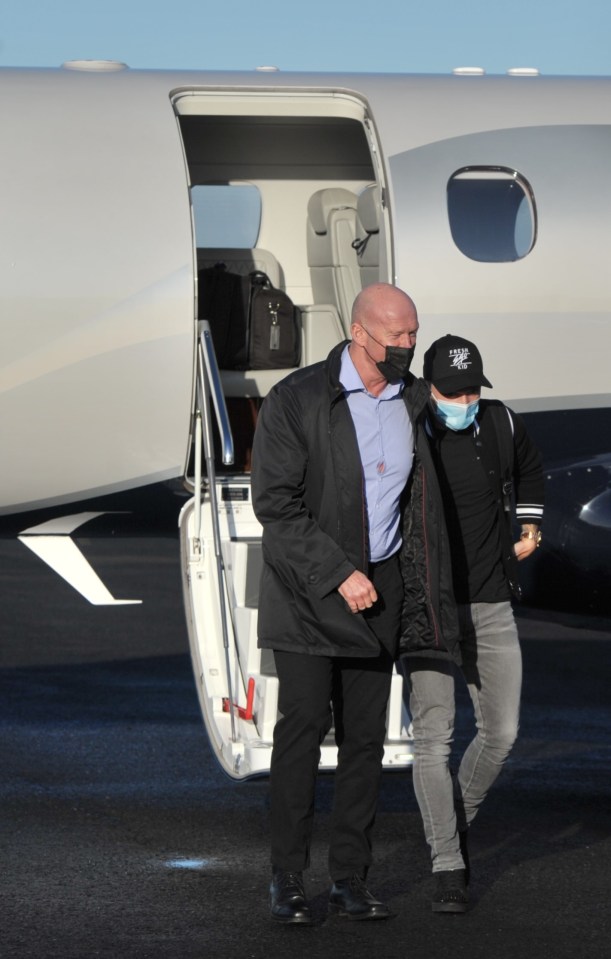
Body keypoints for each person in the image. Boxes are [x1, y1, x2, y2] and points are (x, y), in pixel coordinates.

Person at [251, 283, 419, 924]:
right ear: (360, 334)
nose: (408, 346)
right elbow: (278, 506)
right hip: (307, 595)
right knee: (299, 736)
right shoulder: (297, 400)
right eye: (397, 336)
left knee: (365, 742)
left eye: (413, 333)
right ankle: (287, 880)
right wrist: (338, 572)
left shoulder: (414, 397)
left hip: (380, 594)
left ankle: (351, 878)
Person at [399, 334, 544, 914]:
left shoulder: (500, 422)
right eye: (451, 391)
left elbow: (531, 469)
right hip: (427, 605)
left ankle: (449, 820)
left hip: (490, 600)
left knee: (502, 732)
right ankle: (448, 865)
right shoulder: (406, 428)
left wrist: (529, 527)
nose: (462, 399)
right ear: (427, 388)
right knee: (432, 738)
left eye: (470, 390)